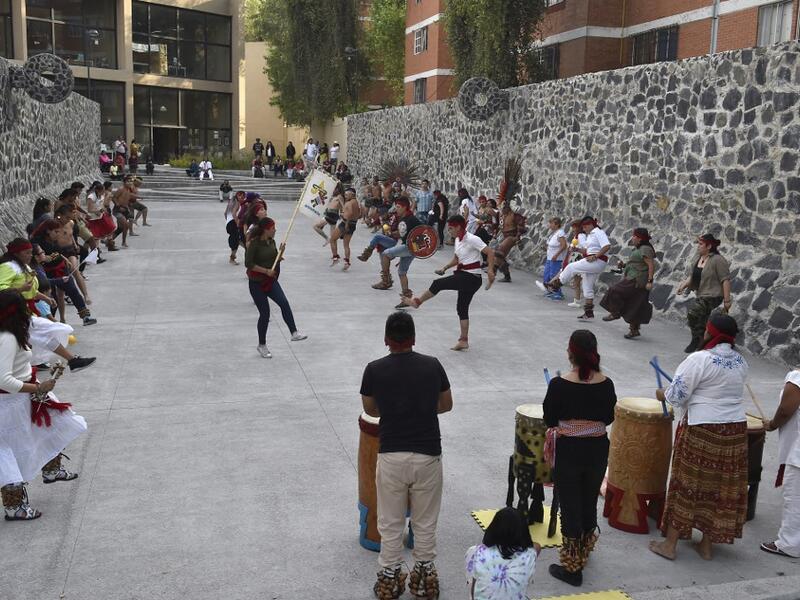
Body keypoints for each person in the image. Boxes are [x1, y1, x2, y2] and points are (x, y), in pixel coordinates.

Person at [360, 311, 452, 600]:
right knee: (425, 521)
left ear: (386, 339)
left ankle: (390, 578)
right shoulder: (432, 365)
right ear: (413, 338)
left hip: (391, 456)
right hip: (428, 456)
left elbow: (371, 409)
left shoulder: (373, 369)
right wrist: (422, 408)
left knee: (390, 521)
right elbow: (446, 404)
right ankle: (425, 578)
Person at [651, 314, 748, 562]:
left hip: (703, 428)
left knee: (688, 483)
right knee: (718, 486)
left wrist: (662, 394)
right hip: (734, 430)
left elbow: (678, 395)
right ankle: (706, 546)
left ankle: (670, 545)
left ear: (711, 332)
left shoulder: (698, 359)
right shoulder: (740, 361)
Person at [0, 290, 87, 521]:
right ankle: (13, 505)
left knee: (51, 426)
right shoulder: (7, 338)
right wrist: (37, 388)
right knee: (8, 451)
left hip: (22, 397)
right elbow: (4, 381)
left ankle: (51, 469)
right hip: (10, 403)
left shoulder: (13, 332)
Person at [543, 330, 616, 586]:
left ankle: (572, 568)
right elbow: (608, 417)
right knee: (588, 499)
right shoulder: (606, 383)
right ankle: (584, 549)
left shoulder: (559, 384)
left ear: (570, 353)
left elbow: (550, 419)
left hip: (570, 449)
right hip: (597, 448)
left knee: (570, 504)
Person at [402, 215, 495, 351]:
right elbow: (457, 259)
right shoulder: (458, 240)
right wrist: (445, 268)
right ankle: (463, 340)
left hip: (471, 278)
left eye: (451, 228)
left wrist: (491, 270)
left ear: (458, 227)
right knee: (461, 308)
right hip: (465, 276)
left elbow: (490, 252)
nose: (449, 231)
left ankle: (417, 302)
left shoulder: (472, 239)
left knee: (437, 284)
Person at [0, 240, 95, 372]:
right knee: (44, 333)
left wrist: (46, 298)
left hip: (25, 310)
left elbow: (31, 291)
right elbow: (2, 289)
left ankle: (72, 360)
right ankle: (72, 360)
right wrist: (20, 289)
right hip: (12, 313)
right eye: (27, 253)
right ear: (17, 253)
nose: (30, 255)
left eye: (31, 253)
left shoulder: (24, 267)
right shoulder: (8, 267)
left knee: (42, 336)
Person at [244, 218, 307, 358]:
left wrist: (281, 252)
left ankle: (294, 333)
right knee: (265, 314)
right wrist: (266, 271)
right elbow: (248, 263)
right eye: (273, 228)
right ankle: (262, 345)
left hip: (271, 281)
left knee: (284, 303)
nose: (275, 230)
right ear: (266, 229)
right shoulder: (254, 244)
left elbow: (274, 260)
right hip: (256, 284)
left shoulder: (271, 242)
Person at [539, 216, 610, 320]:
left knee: (571, 267)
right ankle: (589, 312)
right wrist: (577, 249)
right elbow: (586, 251)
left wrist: (595, 256)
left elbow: (607, 246)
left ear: (590, 225)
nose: (584, 229)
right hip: (592, 260)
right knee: (587, 287)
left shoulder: (598, 232)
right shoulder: (590, 235)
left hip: (597, 261)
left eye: (585, 227)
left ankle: (556, 285)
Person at [761, 369, 800, 558]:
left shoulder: (798, 378)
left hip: (798, 451)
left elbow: (785, 409)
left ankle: (789, 544)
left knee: (795, 498)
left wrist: (772, 424)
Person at [465, 507, 540, 600]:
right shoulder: (529, 555)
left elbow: (474, 589)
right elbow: (537, 546)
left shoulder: (478, 552)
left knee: (472, 561)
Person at [675, 233, 732, 353]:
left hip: (714, 295)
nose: (698, 246)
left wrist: (727, 301)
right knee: (702, 320)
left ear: (709, 246)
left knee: (693, 313)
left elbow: (725, 280)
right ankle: (708, 342)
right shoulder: (698, 258)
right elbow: (693, 275)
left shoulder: (718, 260)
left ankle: (697, 340)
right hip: (702, 294)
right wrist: (683, 286)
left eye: (701, 244)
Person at [600, 228, 656, 339]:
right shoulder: (639, 248)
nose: (633, 238)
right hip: (633, 276)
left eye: (634, 236)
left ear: (639, 238)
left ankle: (615, 312)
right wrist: (624, 265)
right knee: (635, 303)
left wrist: (650, 281)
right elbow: (637, 263)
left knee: (615, 290)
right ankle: (634, 330)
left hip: (637, 279)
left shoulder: (645, 249)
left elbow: (650, 265)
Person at [373, 198, 420, 301]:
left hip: (409, 247)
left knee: (385, 254)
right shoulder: (402, 218)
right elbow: (402, 233)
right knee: (402, 272)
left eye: (398, 207)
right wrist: (391, 233)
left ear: (404, 207)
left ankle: (386, 281)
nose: (396, 209)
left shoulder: (411, 219)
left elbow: (422, 232)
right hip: (410, 248)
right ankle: (406, 298)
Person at [494, 203, 528, 283]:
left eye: (504, 208)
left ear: (508, 209)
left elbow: (521, 225)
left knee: (500, 251)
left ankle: (494, 269)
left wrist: (517, 237)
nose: (502, 210)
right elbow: (500, 226)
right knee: (500, 256)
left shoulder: (514, 215)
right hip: (505, 236)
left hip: (512, 237)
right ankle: (507, 276)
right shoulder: (503, 216)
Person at [329, 187, 360, 270]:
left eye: (347, 194)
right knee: (346, 245)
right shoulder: (356, 202)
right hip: (353, 224)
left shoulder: (349, 203)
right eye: (345, 194)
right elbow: (361, 212)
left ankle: (335, 257)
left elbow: (350, 213)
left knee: (332, 239)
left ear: (352, 194)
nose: (345, 196)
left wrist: (346, 222)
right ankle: (347, 262)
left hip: (345, 224)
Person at [224, 192, 242, 265]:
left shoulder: (230, 203)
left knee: (238, 239)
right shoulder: (237, 203)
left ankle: (248, 252)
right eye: (240, 196)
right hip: (233, 223)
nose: (242, 198)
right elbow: (234, 213)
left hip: (229, 224)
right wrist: (237, 222)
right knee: (236, 240)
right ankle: (232, 259)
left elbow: (225, 213)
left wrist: (228, 221)